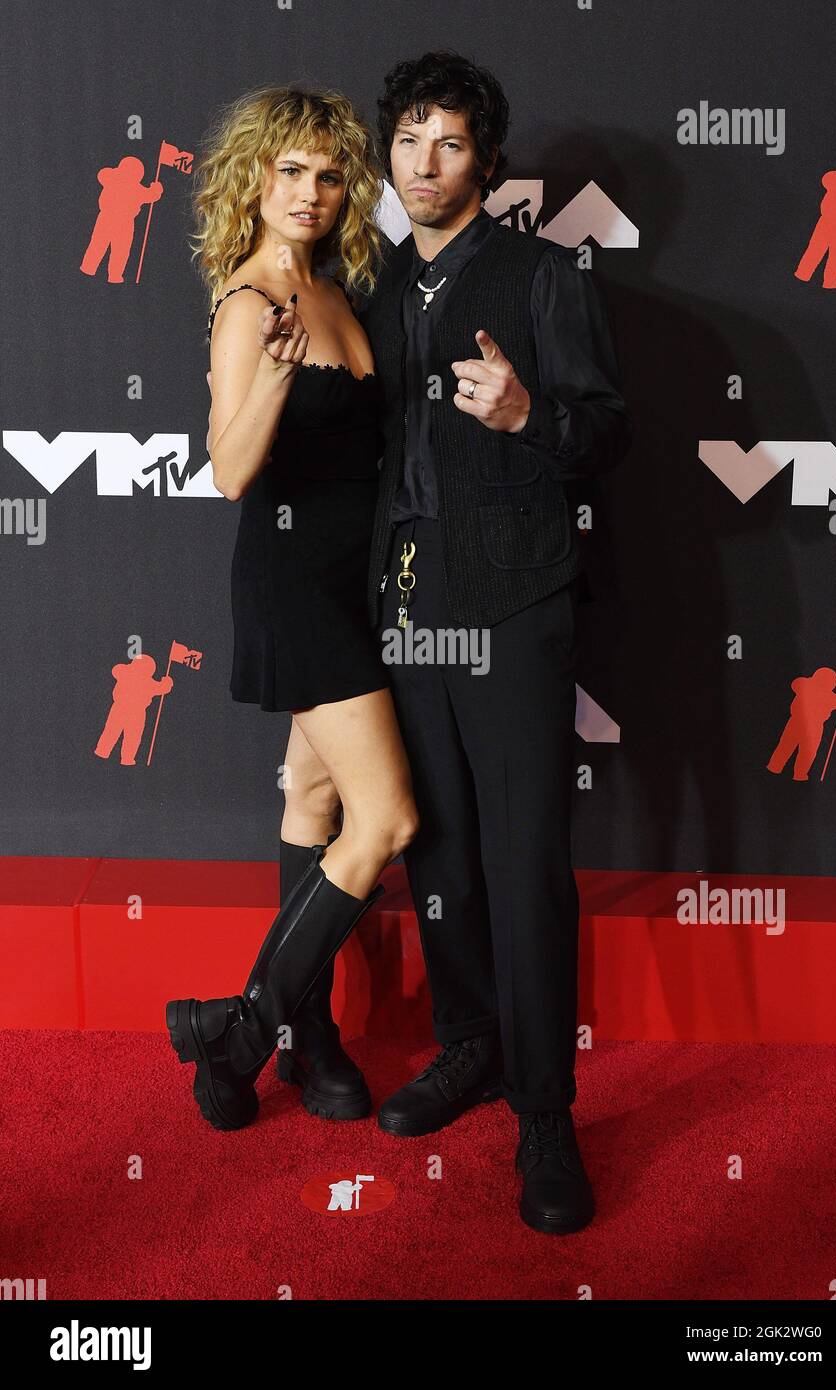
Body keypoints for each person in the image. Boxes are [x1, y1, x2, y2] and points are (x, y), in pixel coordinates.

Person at [359, 51, 633, 1233]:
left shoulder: (540, 273)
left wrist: (530, 416)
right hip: (404, 607)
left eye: (450, 142)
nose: (426, 162)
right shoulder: (361, 284)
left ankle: (544, 1111)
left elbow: (607, 432)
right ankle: (465, 1046)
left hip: (515, 604)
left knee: (525, 867)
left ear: (485, 161)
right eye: (409, 138)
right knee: (444, 861)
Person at [165, 85, 419, 1132]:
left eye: (327, 175)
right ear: (253, 182)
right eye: (290, 173)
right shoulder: (248, 304)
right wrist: (268, 381)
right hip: (293, 587)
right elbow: (227, 469)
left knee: (311, 806)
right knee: (388, 818)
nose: (310, 193)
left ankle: (308, 1035)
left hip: (354, 583)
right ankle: (246, 1025)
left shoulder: (336, 291)